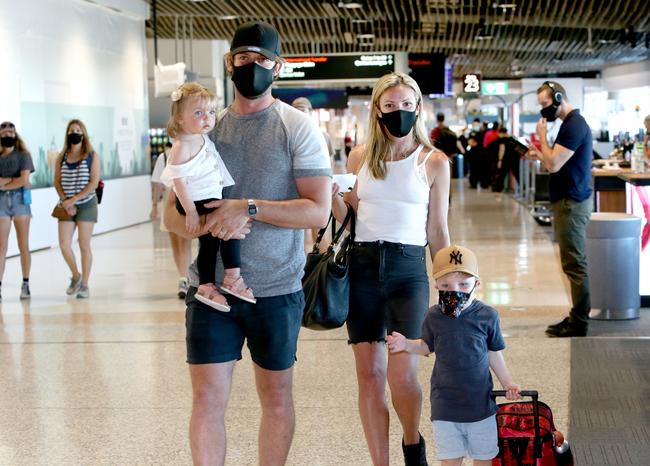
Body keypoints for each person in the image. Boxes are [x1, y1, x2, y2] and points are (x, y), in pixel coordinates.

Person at [163, 21, 331, 466]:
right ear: (228, 63)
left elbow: (317, 210)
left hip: (275, 289)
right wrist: (211, 223)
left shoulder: (296, 127)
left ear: (278, 67)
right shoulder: (203, 129)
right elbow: (168, 216)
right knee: (207, 399)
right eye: (242, 58)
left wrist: (248, 208)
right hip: (210, 291)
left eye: (262, 60)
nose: (251, 67)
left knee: (276, 398)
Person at [331, 72, 450, 466]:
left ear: (417, 108)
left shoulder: (434, 162)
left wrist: (448, 282)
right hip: (362, 270)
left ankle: (412, 444)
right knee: (369, 377)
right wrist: (334, 196)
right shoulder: (359, 157)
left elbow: (437, 228)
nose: (398, 112)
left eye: (406, 105)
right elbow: (349, 215)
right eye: (390, 106)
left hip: (408, 272)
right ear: (377, 109)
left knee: (402, 376)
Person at [387, 245, 521, 466]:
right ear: (436, 285)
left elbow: (492, 352)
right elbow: (426, 346)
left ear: (477, 284)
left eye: (463, 285)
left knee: (484, 458)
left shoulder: (487, 316)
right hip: (445, 405)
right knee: (449, 460)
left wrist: (507, 382)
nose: (455, 291)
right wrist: (406, 345)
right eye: (446, 285)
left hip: (480, 405)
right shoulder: (433, 316)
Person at [160, 82, 254, 311]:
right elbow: (178, 180)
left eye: (211, 112)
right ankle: (228, 279)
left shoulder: (200, 138)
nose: (207, 118)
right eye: (198, 113)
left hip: (208, 196)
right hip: (196, 201)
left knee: (212, 243)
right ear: (179, 117)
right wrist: (191, 210)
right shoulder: (182, 145)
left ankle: (209, 284)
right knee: (228, 231)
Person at [527, 81, 592, 337]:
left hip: (571, 202)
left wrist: (542, 137)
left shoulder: (574, 125)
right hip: (569, 199)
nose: (543, 111)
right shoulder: (570, 124)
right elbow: (557, 160)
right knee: (572, 261)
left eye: (545, 105)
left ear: (558, 98)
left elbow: (554, 164)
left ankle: (579, 322)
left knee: (574, 263)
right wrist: (539, 154)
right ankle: (578, 314)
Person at [54, 119, 101, 299]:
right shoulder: (61, 157)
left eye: (78, 130)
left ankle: (85, 284)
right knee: (64, 245)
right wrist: (66, 201)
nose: (74, 133)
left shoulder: (92, 155)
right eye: (71, 130)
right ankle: (75, 275)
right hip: (66, 204)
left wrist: (74, 200)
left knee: (83, 244)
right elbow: (57, 181)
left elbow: (93, 182)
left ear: (83, 134)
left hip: (86, 203)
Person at [151, 142, 193, 299]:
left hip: (186, 200)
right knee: (176, 243)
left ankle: (184, 278)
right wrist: (154, 206)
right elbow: (158, 184)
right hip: (169, 202)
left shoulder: (192, 151)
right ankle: (183, 277)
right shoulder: (164, 157)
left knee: (185, 242)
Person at [0, 121, 35, 301]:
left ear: (16, 134)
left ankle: (26, 284)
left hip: (21, 200)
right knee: (1, 247)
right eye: (5, 133)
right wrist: (14, 180)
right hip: (1, 203)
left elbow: (24, 180)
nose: (8, 135)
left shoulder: (24, 155)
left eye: (11, 132)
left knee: (23, 246)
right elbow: (20, 179)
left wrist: (4, 182)